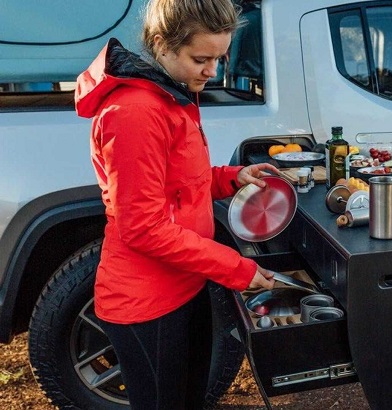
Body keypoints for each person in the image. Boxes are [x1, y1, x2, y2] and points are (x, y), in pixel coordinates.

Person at [74, 0, 277, 408]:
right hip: (145, 301)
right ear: (161, 45)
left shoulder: (172, 93)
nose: (212, 72)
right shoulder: (135, 112)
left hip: (185, 283)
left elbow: (180, 184)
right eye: (201, 59)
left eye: (219, 59)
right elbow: (143, 227)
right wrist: (237, 269)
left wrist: (231, 178)